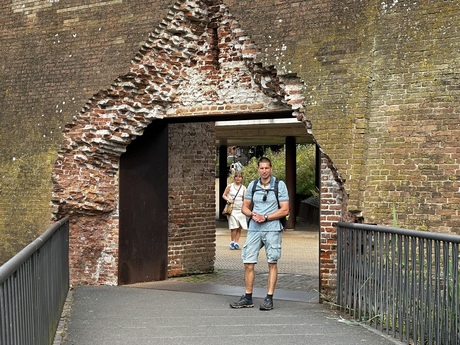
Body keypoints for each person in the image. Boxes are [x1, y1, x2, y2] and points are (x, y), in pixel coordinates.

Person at [229, 157, 289, 311]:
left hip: (272, 228)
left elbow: (285, 209)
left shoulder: (279, 185)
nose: (264, 171)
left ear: (271, 168)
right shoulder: (253, 185)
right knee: (248, 262)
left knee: (272, 262)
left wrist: (266, 217)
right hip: (255, 228)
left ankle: (269, 298)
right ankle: (248, 297)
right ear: (258, 169)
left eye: (266, 168)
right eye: (261, 168)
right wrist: (252, 214)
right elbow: (245, 207)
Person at [222, 171, 248, 250]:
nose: (238, 178)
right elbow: (224, 195)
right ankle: (232, 242)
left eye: (239, 177)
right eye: (236, 176)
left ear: (242, 179)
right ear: (234, 178)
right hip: (232, 209)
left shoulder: (243, 188)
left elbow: (245, 198)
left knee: (239, 226)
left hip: (240, 209)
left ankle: (236, 242)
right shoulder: (230, 186)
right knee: (233, 226)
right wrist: (229, 200)